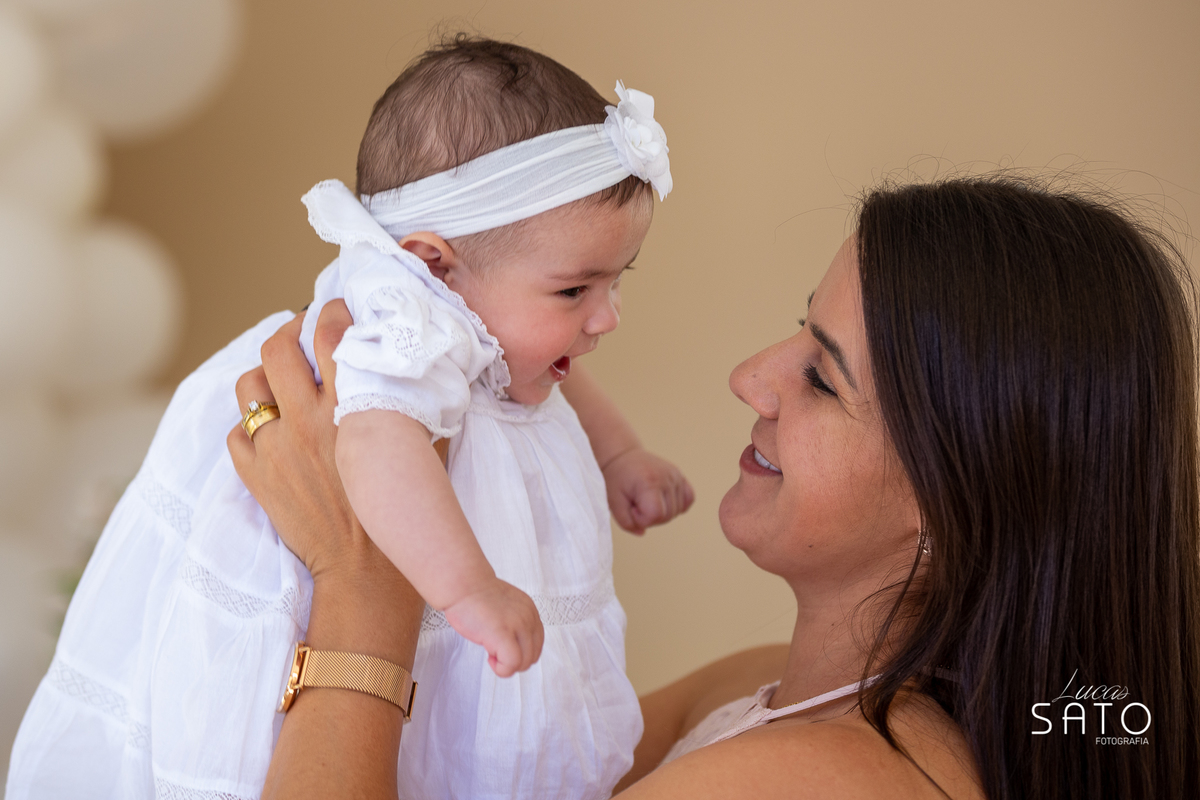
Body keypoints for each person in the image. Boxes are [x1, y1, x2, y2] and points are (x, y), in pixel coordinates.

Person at [232, 176, 1200, 799]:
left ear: (952, 505)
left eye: (822, 377)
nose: (752, 375)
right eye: (798, 330)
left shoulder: (831, 781)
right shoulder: (762, 688)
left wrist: (361, 586)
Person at [7, 37, 695, 800]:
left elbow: (539, 381)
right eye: (576, 291)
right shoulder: (400, 327)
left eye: (616, 281)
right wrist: (469, 591)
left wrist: (620, 455)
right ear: (433, 263)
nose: (607, 317)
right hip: (387, 575)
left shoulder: (476, 314)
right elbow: (374, 446)